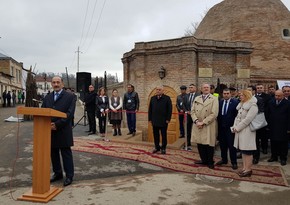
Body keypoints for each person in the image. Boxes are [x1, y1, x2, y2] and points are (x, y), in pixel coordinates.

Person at [42, 76, 76, 186]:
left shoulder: (70, 97)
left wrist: (56, 125)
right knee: (54, 153)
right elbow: (43, 111)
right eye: (54, 82)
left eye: (58, 82)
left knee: (66, 153)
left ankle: (69, 176)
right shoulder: (47, 97)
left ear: (62, 83)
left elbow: (69, 114)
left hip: (63, 130)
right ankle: (58, 173)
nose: (56, 84)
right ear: (51, 84)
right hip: (50, 131)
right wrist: (48, 124)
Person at [191, 83, 219, 169]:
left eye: (207, 87)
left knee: (209, 144)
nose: (206, 89)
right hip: (197, 124)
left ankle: (210, 161)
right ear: (201, 89)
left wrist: (203, 122)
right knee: (200, 143)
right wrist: (196, 121)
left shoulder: (214, 99)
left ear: (210, 89)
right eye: (204, 87)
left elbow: (214, 113)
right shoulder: (197, 98)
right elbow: (192, 111)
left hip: (208, 124)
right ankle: (203, 160)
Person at [231, 90, 258, 177]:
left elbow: (247, 120)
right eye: (240, 95)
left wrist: (237, 128)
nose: (240, 97)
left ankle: (248, 170)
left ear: (246, 96)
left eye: (242, 95)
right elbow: (237, 117)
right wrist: (234, 127)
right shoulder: (242, 105)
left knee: (248, 151)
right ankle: (244, 168)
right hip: (240, 130)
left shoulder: (253, 106)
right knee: (243, 150)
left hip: (247, 131)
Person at [216, 88, 239, 170]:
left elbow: (237, 116)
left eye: (227, 93)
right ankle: (224, 159)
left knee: (232, 146)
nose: (226, 95)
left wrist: (235, 127)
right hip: (221, 128)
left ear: (230, 94)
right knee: (223, 145)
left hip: (231, 128)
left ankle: (234, 162)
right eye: (224, 93)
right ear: (222, 94)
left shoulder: (235, 102)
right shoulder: (220, 102)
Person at [266, 90, 290, 166]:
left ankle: (283, 158)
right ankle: (274, 156)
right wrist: (268, 125)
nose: (277, 97)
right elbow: (268, 114)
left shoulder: (288, 103)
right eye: (276, 95)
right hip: (273, 126)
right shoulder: (271, 102)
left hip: (283, 127)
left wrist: (289, 128)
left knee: (283, 143)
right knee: (273, 142)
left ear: (283, 96)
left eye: (279, 96)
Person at [148, 85, 172, 154]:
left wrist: (168, 119)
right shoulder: (152, 98)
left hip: (163, 120)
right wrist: (150, 119)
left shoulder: (167, 98)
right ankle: (157, 147)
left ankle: (163, 148)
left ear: (162, 90)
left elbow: (169, 109)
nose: (158, 91)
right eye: (157, 89)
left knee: (163, 135)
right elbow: (150, 109)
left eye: (159, 90)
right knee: (155, 135)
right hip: (154, 120)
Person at [247, 85, 264, 165]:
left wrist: (251, 115)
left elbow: (261, 111)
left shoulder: (259, 99)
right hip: (246, 123)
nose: (248, 92)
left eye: (250, 90)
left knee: (255, 141)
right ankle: (246, 154)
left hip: (254, 123)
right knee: (246, 140)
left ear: (254, 91)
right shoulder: (245, 98)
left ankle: (256, 157)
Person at [183, 84, 199, 150]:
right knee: (188, 129)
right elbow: (183, 104)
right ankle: (188, 143)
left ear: (195, 88)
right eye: (189, 88)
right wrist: (187, 111)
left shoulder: (198, 96)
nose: (190, 89)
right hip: (188, 115)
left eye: (192, 87)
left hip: (196, 115)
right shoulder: (186, 96)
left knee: (197, 129)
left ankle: (198, 144)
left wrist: (194, 112)